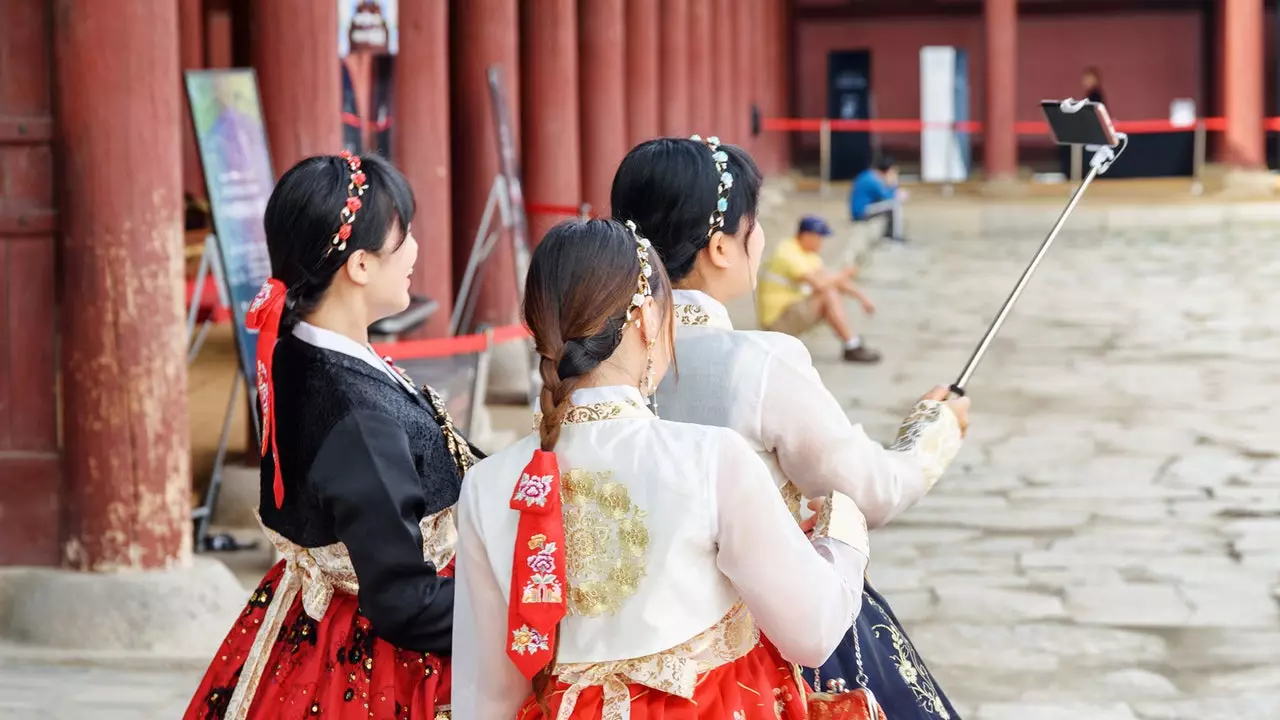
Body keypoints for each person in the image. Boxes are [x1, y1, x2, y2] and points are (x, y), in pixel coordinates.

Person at [451, 218, 876, 719]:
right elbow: (813, 632)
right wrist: (842, 533)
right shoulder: (711, 457)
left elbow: (491, 693)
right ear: (649, 318)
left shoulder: (485, 484)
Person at [612, 135, 971, 720]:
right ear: (721, 248)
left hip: (627, 661)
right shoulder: (756, 362)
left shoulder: (589, 366)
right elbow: (868, 490)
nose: (760, 239)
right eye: (753, 225)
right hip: (757, 651)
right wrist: (934, 429)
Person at [183, 152, 476, 720]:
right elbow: (402, 603)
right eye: (404, 235)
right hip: (370, 662)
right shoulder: (357, 414)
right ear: (360, 266)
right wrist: (517, 615)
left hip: (308, 626)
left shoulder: (297, 352)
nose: (415, 250)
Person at [757, 214, 881, 363]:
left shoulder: (808, 254)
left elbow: (830, 278)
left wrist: (862, 298)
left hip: (792, 311)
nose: (821, 243)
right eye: (819, 237)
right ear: (807, 236)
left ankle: (851, 342)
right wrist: (844, 274)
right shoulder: (787, 253)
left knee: (830, 292)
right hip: (777, 322)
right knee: (827, 294)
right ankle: (852, 345)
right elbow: (821, 284)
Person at [851, 155, 906, 242]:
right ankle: (896, 236)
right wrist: (893, 184)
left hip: (861, 209)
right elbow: (888, 197)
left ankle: (889, 233)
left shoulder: (867, 175)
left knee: (888, 204)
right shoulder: (873, 179)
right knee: (894, 205)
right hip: (861, 212)